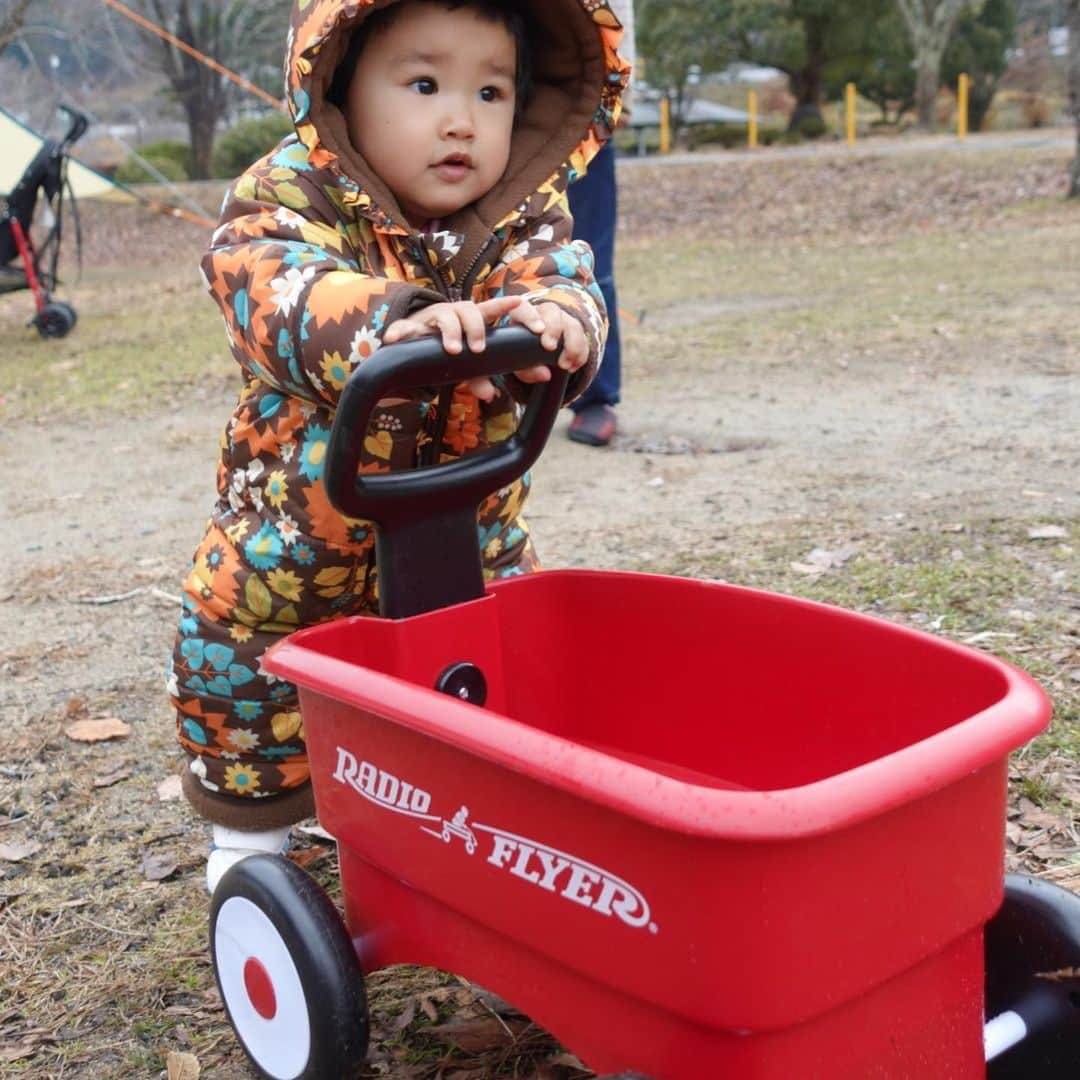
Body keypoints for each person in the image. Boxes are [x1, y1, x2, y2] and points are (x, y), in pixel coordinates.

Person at [167, 0, 630, 891]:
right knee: (243, 663)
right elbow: (273, 295)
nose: (461, 119)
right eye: (424, 84)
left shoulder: (521, 217)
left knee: (490, 668)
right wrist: (398, 323)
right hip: (299, 536)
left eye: (491, 92)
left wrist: (561, 324)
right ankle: (252, 850)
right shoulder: (285, 196)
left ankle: (463, 812)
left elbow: (568, 281)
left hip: (470, 528)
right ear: (342, 89)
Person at [566, 0, 633, 447]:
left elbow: (619, 14)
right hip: (499, 98)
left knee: (588, 256)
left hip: (586, 107)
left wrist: (622, 89)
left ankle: (595, 396)